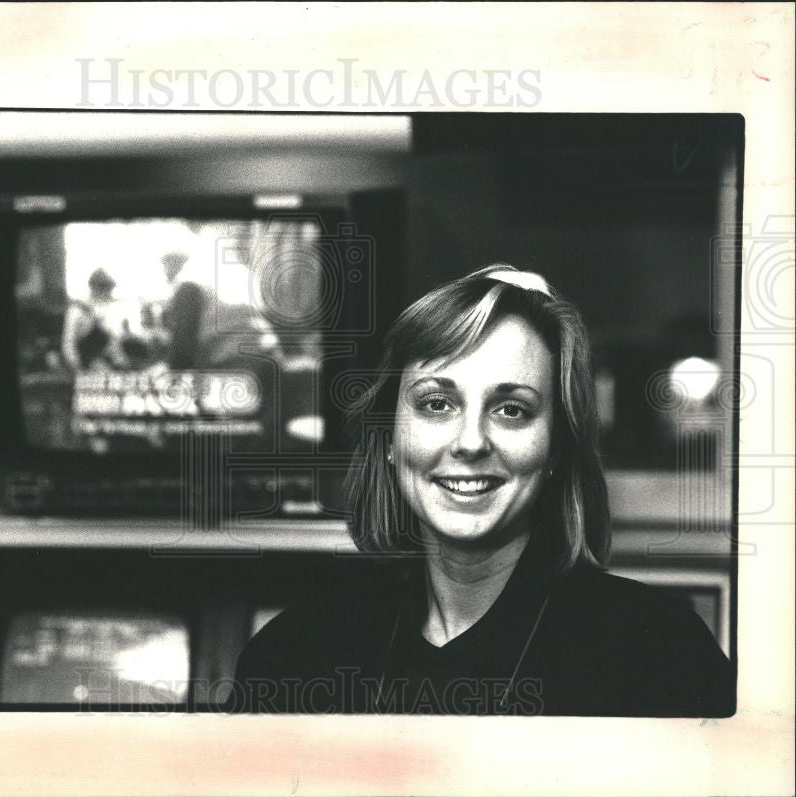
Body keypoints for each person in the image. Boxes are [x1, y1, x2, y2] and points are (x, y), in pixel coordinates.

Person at [231, 264, 734, 716]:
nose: (470, 442)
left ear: (557, 446)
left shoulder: (659, 653)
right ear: (388, 436)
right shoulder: (292, 653)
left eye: (511, 409)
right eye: (436, 404)